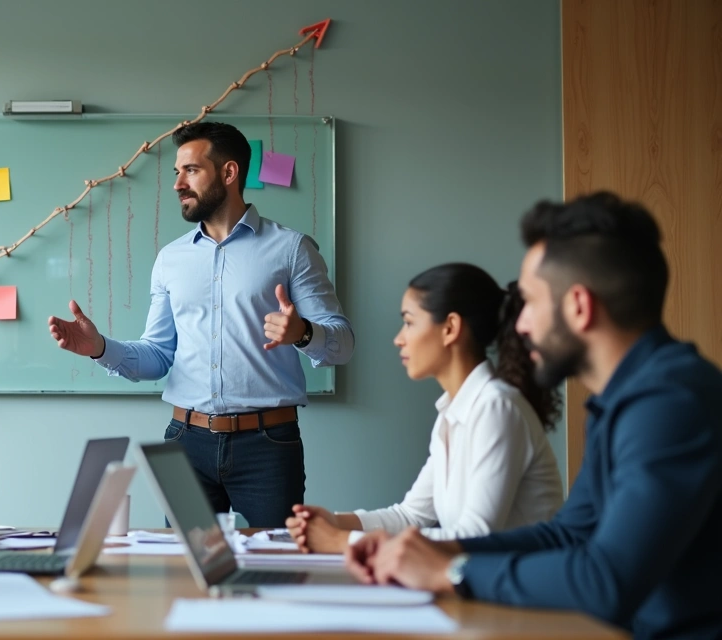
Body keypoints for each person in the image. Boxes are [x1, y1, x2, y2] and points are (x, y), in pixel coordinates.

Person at [345, 193, 722, 639]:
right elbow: (567, 535)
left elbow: (606, 581)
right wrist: (429, 549)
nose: (520, 325)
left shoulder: (670, 402)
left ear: (579, 307)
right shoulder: (621, 400)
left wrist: (454, 570)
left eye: (532, 303)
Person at [48, 122, 354, 527]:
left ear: (229, 173)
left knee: (278, 564)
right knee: (183, 569)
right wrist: (99, 348)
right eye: (177, 172)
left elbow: (344, 343)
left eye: (190, 170)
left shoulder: (291, 249)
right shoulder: (170, 259)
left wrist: (304, 334)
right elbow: (157, 356)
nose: (177, 184)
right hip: (186, 441)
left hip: (267, 446)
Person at [285, 263, 563, 553]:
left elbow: (475, 537)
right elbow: (410, 516)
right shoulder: (453, 412)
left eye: (409, 322)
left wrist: (342, 542)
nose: (399, 338)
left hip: (524, 594)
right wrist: (334, 522)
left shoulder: (496, 407)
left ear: (450, 328)